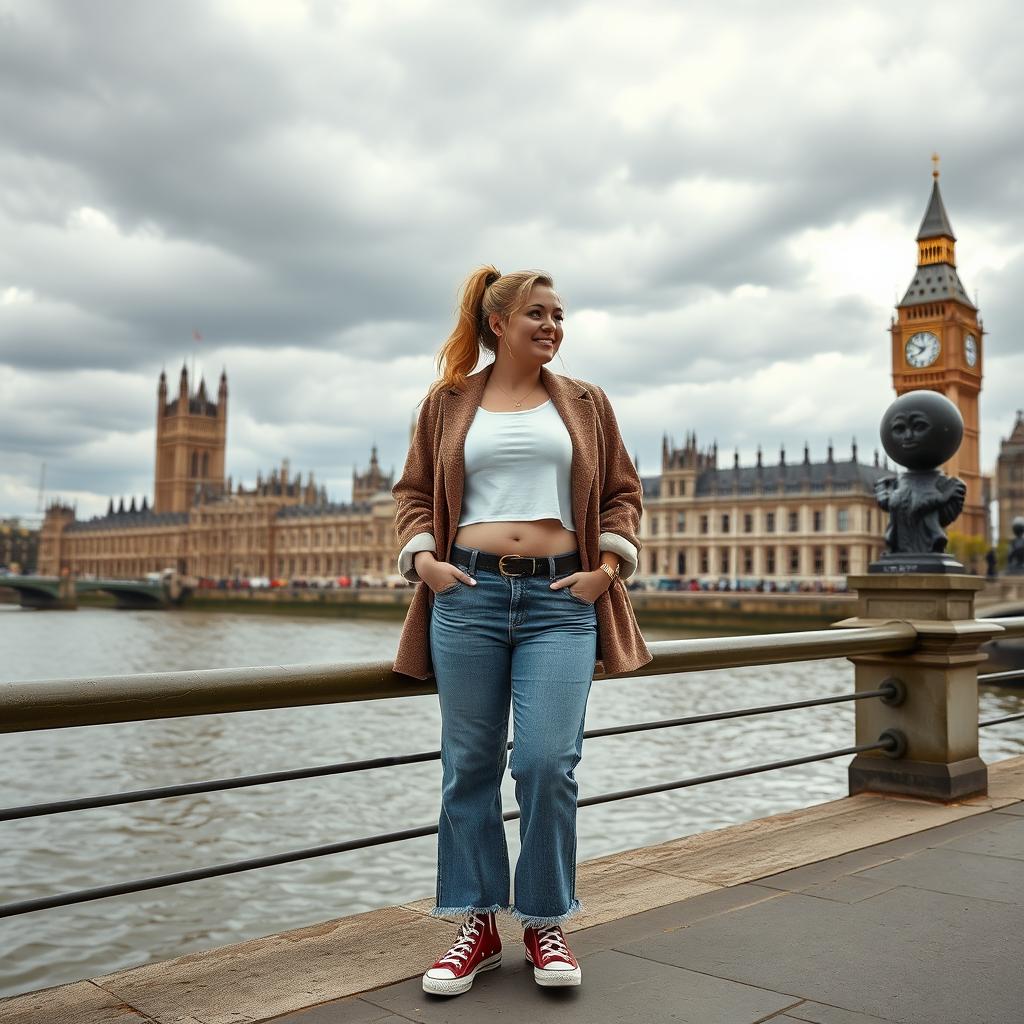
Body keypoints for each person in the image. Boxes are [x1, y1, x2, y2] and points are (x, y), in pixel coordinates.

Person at [391, 266, 652, 996]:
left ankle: (544, 919)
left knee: (545, 763)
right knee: (468, 767)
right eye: (538, 313)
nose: (553, 326)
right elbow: (413, 494)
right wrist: (426, 563)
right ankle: (476, 924)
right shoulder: (446, 403)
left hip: (561, 600)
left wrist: (607, 568)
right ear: (498, 323)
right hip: (466, 597)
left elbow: (623, 494)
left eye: (559, 315)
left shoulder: (587, 404)